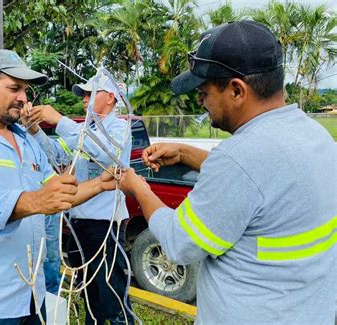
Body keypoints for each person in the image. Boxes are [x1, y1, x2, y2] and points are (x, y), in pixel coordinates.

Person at [119, 20, 336, 324]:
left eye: (204, 91)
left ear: (236, 90)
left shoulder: (240, 159)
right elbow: (260, 184)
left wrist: (138, 187)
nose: (200, 101)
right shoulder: (315, 136)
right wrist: (184, 153)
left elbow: (179, 243)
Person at [0, 49, 117, 324]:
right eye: (14, 87)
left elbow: (56, 194)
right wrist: (36, 201)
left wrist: (100, 183)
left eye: (25, 90)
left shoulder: (27, 141)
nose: (23, 98)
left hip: (33, 297)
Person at [22, 74, 134, 324]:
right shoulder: (85, 129)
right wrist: (35, 130)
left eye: (90, 92)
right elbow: (57, 154)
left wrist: (59, 120)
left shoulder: (119, 128)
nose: (84, 98)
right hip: (79, 222)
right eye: (83, 94)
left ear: (110, 97)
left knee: (111, 293)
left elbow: (105, 152)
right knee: (88, 290)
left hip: (106, 225)